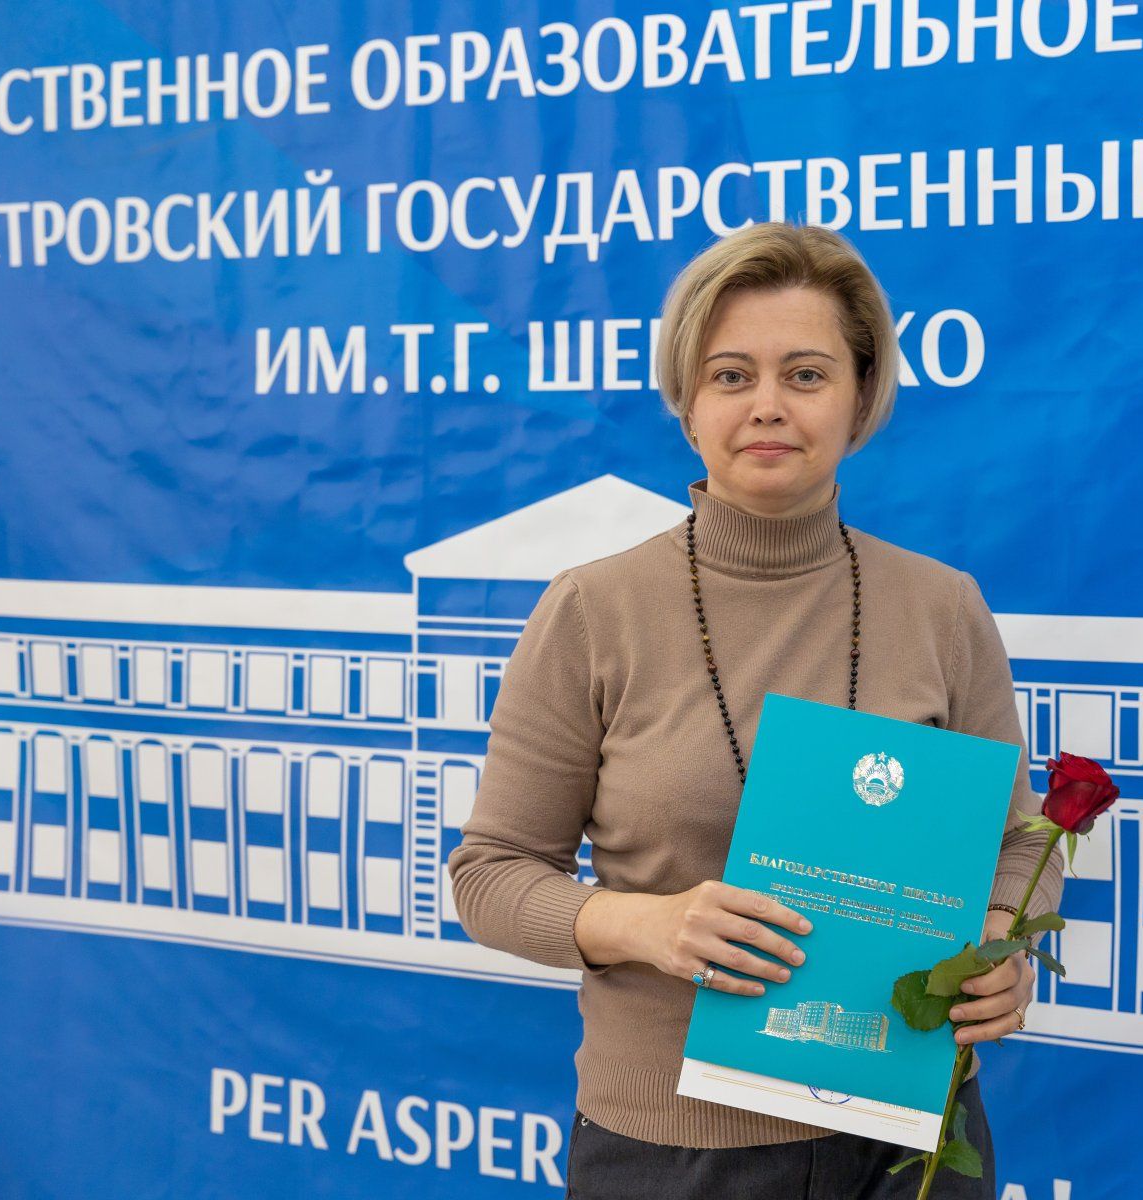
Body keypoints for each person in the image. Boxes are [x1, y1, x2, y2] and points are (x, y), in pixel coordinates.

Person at [447, 220, 1066, 1199]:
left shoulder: (942, 608)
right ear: (688, 405)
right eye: (731, 375)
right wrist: (643, 925)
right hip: (675, 1152)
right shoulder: (594, 611)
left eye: (806, 374)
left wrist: (999, 948)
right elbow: (491, 875)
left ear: (861, 395)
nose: (768, 404)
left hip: (911, 1136)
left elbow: (1018, 841)